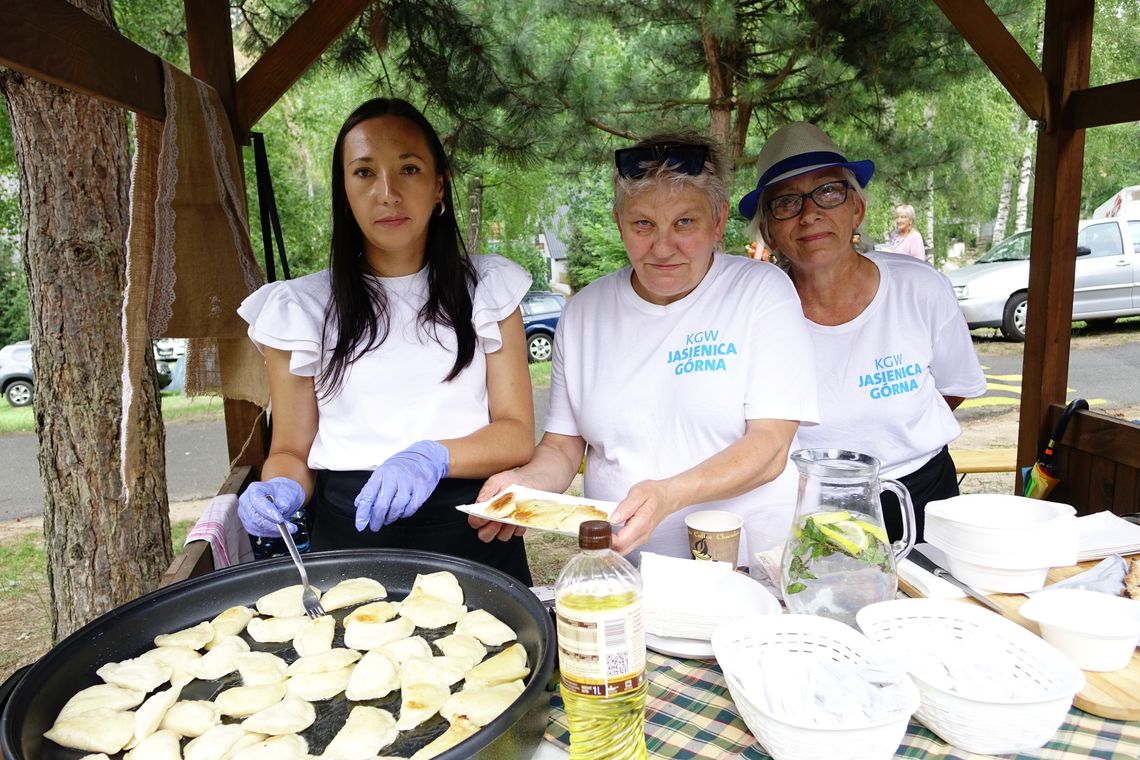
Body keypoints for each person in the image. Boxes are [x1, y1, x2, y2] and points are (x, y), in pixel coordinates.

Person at [471, 134, 819, 564]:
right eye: (643, 225)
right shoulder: (584, 312)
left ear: (718, 220)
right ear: (620, 222)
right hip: (624, 570)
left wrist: (668, 494)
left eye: (684, 223)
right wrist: (524, 487)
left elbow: (769, 449)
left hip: (747, 569)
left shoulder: (761, 292)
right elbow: (563, 448)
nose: (662, 247)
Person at [235, 98, 536, 583]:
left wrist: (431, 457)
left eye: (409, 169)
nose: (388, 192)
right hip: (348, 550)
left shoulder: (490, 288)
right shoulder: (298, 308)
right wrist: (279, 490)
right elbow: (291, 449)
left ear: (439, 186)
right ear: (345, 193)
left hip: (475, 542)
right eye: (364, 173)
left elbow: (516, 433)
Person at [738, 122, 986, 542]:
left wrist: (896, 441)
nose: (810, 212)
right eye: (786, 202)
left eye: (829, 192)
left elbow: (953, 387)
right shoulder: (754, 312)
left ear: (857, 209)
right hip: (806, 508)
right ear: (768, 231)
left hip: (920, 497)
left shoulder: (920, 287)